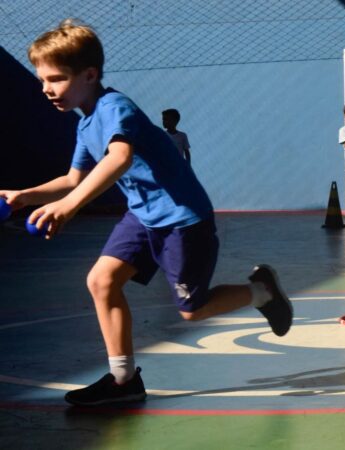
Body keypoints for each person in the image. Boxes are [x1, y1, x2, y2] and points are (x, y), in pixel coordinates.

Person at [0, 19, 293, 406]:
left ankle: (261, 291)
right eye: (41, 80)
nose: (46, 89)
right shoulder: (86, 123)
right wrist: (26, 196)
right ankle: (124, 381)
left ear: (89, 74)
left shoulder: (114, 107)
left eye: (55, 79)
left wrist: (69, 208)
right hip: (142, 216)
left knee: (193, 310)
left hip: (182, 219)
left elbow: (120, 158)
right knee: (101, 281)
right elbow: (73, 179)